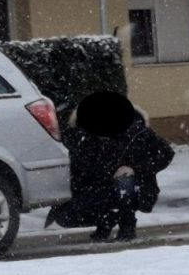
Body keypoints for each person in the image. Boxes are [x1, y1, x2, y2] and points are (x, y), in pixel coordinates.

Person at [44, 91, 175, 242]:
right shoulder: (81, 135)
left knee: (124, 181)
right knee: (65, 216)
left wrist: (134, 169)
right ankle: (106, 221)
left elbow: (165, 153)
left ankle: (127, 225)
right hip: (95, 187)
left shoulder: (136, 131)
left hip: (133, 186)